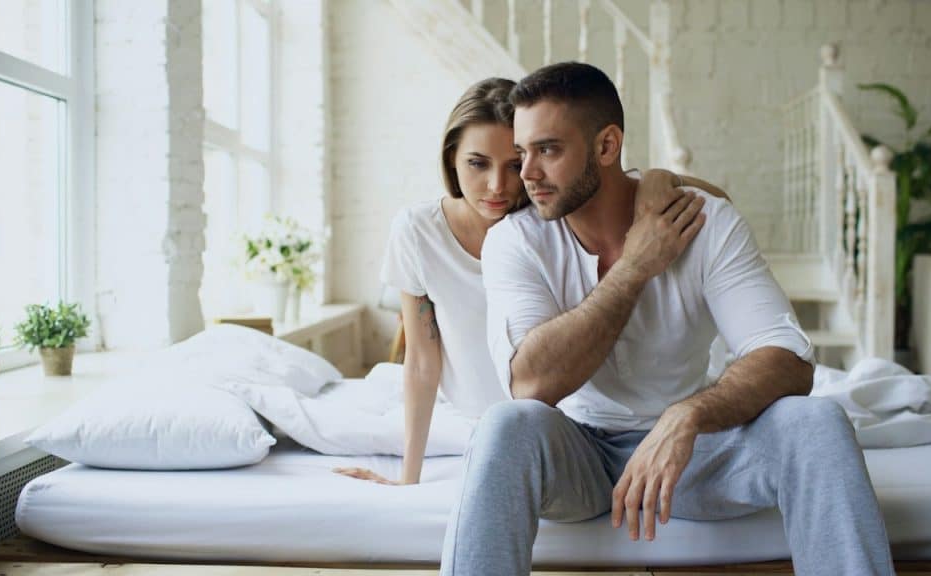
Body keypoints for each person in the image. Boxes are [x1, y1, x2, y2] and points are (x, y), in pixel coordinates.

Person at [439, 62, 895, 575]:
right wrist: (635, 267)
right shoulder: (516, 240)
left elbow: (789, 359)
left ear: (607, 146)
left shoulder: (705, 222)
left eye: (548, 150)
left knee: (817, 420)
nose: (526, 174)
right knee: (506, 424)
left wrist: (687, 416)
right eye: (524, 152)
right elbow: (530, 384)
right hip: (581, 456)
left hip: (695, 456)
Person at [335, 77, 728, 486]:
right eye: (477, 163)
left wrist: (657, 179)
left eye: (513, 164)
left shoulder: (553, 220)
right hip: (478, 417)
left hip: (562, 419)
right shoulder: (418, 231)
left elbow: (717, 201)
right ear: (451, 157)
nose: (497, 186)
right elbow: (420, 361)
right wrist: (408, 478)